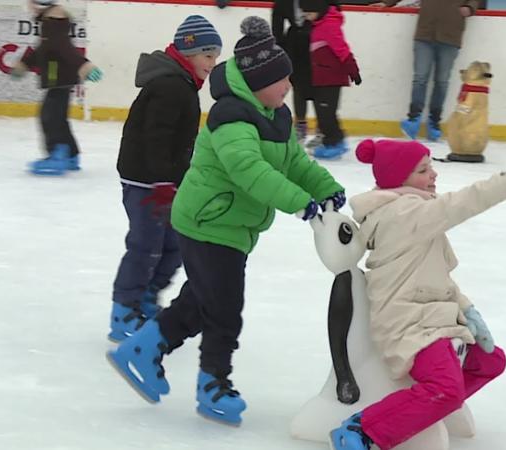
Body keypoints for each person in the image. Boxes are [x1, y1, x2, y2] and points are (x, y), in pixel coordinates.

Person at [107, 16, 346, 427]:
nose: (287, 86)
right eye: (279, 80)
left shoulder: (276, 116)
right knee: (224, 310)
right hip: (207, 223)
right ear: (255, 85)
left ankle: (143, 349)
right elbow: (250, 171)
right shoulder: (231, 118)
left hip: (232, 226)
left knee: (201, 300)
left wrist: (326, 188)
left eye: (288, 77)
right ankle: (213, 383)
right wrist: (301, 204)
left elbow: (294, 163)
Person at [331, 139, 506, 450]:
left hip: (430, 317)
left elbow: (434, 277)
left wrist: (468, 309)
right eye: (423, 170)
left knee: (490, 361)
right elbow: (460, 204)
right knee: (446, 388)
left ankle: (427, 409)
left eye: (431, 167)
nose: (433, 175)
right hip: (408, 324)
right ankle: (363, 429)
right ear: (399, 179)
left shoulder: (411, 213)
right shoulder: (404, 214)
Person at [108, 15, 223, 342]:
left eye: (215, 56)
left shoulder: (183, 84)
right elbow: (155, 137)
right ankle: (123, 310)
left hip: (167, 181)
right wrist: (161, 181)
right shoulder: (170, 86)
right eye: (207, 55)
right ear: (188, 52)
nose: (212, 63)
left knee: (174, 245)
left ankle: (146, 297)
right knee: (145, 246)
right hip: (147, 181)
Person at [11, 0, 102, 176]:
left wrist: (84, 66)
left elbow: (65, 49)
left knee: (49, 116)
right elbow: (42, 50)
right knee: (58, 117)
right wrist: (24, 64)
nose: (29, 7)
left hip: (59, 77)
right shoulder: (51, 23)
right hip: (61, 77)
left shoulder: (53, 24)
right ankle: (71, 155)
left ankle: (57, 154)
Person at [380, 0, 479, 142]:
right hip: (425, 34)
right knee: (420, 78)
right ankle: (413, 119)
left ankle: (434, 122)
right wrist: (386, 3)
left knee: (442, 81)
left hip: (450, 36)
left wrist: (470, 8)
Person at [301, 0, 361, 159]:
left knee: (326, 113)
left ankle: (335, 143)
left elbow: (343, 50)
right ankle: (333, 140)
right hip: (321, 77)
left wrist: (353, 71)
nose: (307, 17)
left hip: (331, 78)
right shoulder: (318, 24)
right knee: (324, 112)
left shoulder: (329, 26)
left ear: (318, 10)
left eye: (309, 13)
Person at [272, 0, 313, 143]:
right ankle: (300, 124)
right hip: (295, 44)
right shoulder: (283, 3)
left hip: (318, 39)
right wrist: (280, 49)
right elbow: (277, 25)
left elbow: (333, 8)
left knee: (320, 86)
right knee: (298, 85)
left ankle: (323, 127)